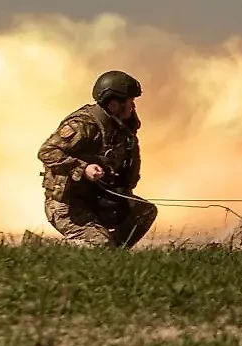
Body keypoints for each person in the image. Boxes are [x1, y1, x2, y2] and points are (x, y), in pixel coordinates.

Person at [37, 70, 157, 248]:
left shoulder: (122, 129)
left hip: (97, 199)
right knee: (100, 244)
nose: (133, 107)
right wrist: (83, 168)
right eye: (130, 102)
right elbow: (47, 151)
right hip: (67, 205)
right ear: (115, 104)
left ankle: (113, 254)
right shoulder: (84, 125)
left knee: (144, 212)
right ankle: (44, 247)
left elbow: (129, 166)